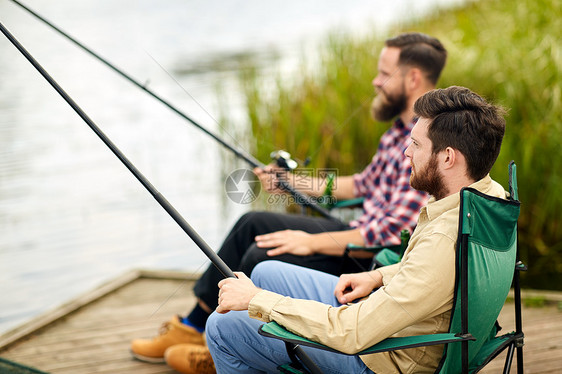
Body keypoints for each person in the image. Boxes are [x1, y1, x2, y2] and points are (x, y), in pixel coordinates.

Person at [130, 32, 447, 367]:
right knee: (253, 223)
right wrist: (291, 182)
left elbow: (386, 233)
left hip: (367, 258)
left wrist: (310, 243)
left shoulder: (425, 145)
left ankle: (226, 345)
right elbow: (360, 184)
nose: (375, 81)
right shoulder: (397, 132)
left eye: (384, 74)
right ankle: (194, 326)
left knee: (263, 250)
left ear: (412, 78)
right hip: (354, 235)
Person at [182, 85, 508, 374]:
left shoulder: (443, 237)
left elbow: (352, 333)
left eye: (417, 145)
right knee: (265, 270)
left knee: (222, 327)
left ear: (448, 157)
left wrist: (258, 301)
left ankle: (231, 339)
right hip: (393, 319)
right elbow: (435, 277)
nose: (407, 153)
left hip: (381, 357)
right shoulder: (488, 198)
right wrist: (380, 276)